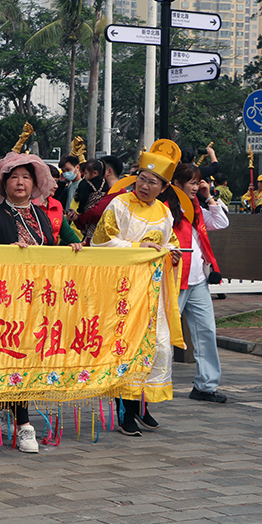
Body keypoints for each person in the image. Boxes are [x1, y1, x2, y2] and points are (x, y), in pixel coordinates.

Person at [0, 151, 82, 453]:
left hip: (38, 301)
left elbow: (51, 249)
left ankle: (6, 401)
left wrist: (70, 247)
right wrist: (5, 254)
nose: (20, 182)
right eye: (14, 177)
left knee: (28, 359)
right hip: (7, 302)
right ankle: (24, 425)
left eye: (26, 177)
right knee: (16, 356)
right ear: (4, 183)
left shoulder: (42, 216)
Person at [92, 139, 183, 436]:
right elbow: (102, 242)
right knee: (126, 348)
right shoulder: (119, 204)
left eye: (152, 182)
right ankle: (126, 411)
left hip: (152, 292)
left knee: (156, 346)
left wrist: (172, 254)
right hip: (123, 292)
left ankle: (140, 403)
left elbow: (171, 243)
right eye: (142, 178)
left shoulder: (165, 213)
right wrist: (137, 247)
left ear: (164, 188)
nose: (145, 186)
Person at [163, 163, 229, 404]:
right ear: (177, 183)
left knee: (206, 332)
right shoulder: (165, 208)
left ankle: (206, 385)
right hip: (174, 279)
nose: (196, 186)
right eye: (192, 182)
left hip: (198, 280)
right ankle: (149, 383)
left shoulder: (196, 206)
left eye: (198, 181)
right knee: (163, 333)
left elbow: (221, 223)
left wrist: (209, 195)